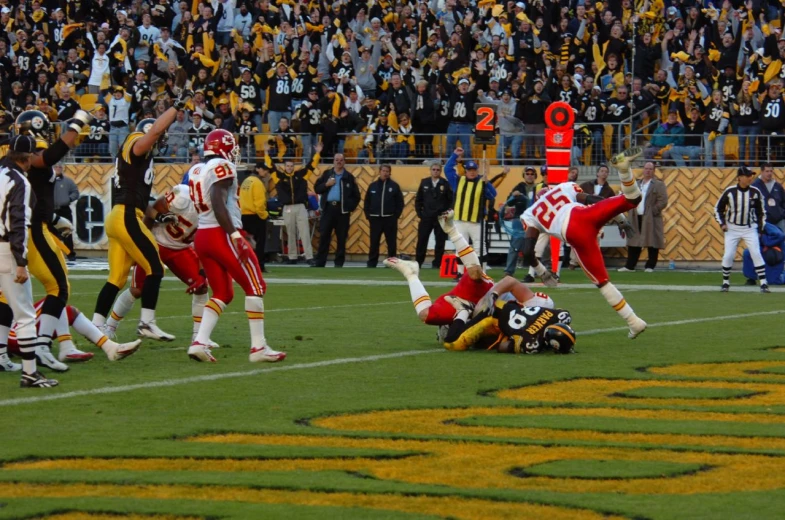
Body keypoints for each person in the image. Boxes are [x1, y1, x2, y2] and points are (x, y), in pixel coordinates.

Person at [92, 91, 192, 341]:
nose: (160, 141)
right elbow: (155, 132)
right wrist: (175, 107)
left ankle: (95, 327)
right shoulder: (136, 142)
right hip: (126, 216)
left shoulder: (140, 160)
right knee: (155, 268)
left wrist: (157, 217)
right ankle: (147, 323)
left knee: (116, 279)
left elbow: (142, 200)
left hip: (120, 216)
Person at [521, 147, 647, 339]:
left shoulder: (531, 213)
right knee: (633, 198)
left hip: (575, 235)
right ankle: (623, 169)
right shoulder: (563, 187)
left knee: (603, 283)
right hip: (586, 215)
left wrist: (542, 272)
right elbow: (591, 199)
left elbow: (528, 251)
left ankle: (634, 321)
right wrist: (619, 217)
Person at [186, 128, 286, 364]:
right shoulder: (223, 166)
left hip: (203, 235)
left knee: (223, 292)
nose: (234, 153)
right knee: (256, 285)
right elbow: (218, 202)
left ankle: (199, 342)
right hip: (221, 234)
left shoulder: (196, 169)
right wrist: (234, 234)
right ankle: (258, 347)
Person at [11, 109, 92, 372]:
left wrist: (55, 218)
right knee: (58, 287)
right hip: (33, 228)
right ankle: (42, 346)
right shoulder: (31, 154)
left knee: (13, 293)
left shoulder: (15, 157)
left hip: (34, 224)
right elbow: (47, 157)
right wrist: (77, 123)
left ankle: (7, 352)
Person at [103, 184, 215, 347]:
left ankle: (199, 337)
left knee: (202, 287)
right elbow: (151, 209)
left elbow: (204, 243)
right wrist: (141, 241)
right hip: (155, 242)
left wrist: (202, 272)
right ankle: (110, 326)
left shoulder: (215, 212)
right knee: (138, 290)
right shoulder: (183, 196)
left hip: (180, 249)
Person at [0, 135, 57, 387]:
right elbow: (18, 223)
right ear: (28, 158)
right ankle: (30, 373)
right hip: (5, 250)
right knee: (24, 315)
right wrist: (21, 261)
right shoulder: (20, 182)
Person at [263, 141, 322, 266]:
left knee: (304, 231)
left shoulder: (301, 175)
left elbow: (311, 166)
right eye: (287, 166)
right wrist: (266, 153)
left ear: (294, 167)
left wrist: (317, 153)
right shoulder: (278, 176)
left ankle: (309, 256)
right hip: (287, 207)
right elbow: (270, 166)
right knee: (290, 232)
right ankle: (292, 256)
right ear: (284, 167)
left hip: (300, 206)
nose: (289, 167)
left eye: (291, 166)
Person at [715, 166, 770, 293]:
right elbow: (718, 208)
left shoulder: (755, 192)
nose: (750, 178)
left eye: (751, 175)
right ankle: (725, 282)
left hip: (749, 227)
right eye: (747, 175)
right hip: (732, 228)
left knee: (756, 253)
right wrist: (722, 223)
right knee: (728, 255)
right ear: (739, 177)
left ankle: (763, 283)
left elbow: (761, 212)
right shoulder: (730, 191)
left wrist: (760, 229)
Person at [444, 148, 497, 274]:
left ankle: (482, 272)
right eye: (469, 170)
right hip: (460, 220)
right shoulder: (458, 180)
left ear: (477, 171)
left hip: (476, 221)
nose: (472, 173)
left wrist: (487, 183)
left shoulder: (481, 182)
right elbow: (447, 169)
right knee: (460, 247)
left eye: (474, 170)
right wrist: (454, 155)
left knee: (480, 247)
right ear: (466, 171)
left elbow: (493, 195)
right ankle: (460, 273)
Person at [312, 154, 361, 268]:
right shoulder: (327, 174)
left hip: (342, 211)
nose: (339, 162)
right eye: (336, 160)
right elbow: (317, 189)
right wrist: (326, 184)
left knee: (341, 237)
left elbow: (356, 196)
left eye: (341, 160)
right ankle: (320, 262)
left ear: (344, 162)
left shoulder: (349, 177)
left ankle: (339, 263)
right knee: (324, 236)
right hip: (328, 209)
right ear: (333, 161)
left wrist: (349, 207)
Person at [619, 161, 668, 272]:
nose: (648, 171)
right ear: (643, 169)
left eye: (650, 169)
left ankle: (650, 265)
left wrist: (653, 211)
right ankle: (630, 265)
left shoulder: (658, 184)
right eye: (646, 168)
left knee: (652, 240)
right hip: (636, 216)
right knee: (634, 240)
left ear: (654, 171)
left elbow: (663, 201)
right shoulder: (637, 183)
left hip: (651, 218)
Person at [414, 162, 453, 268]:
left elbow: (451, 200)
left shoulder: (445, 183)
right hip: (426, 217)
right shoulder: (424, 182)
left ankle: (437, 263)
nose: (435, 171)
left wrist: (446, 214)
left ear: (440, 171)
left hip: (440, 217)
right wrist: (420, 213)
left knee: (440, 241)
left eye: (438, 170)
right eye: (434, 169)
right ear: (430, 170)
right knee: (422, 240)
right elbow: (419, 200)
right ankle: (418, 262)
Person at [364, 164, 404, 268]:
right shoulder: (372, 186)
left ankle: (391, 263)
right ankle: (372, 263)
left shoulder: (394, 186)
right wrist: (369, 216)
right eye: (383, 171)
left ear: (390, 173)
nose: (385, 173)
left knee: (391, 242)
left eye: (387, 171)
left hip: (389, 218)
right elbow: (367, 202)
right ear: (379, 171)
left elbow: (400, 202)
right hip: (375, 219)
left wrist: (395, 216)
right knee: (374, 242)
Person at [240, 160, 271, 273]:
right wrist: (265, 215)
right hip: (256, 216)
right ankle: (259, 266)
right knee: (260, 243)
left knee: (246, 243)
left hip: (244, 215)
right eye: (264, 170)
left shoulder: (246, 181)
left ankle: (245, 265)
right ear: (258, 169)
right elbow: (259, 203)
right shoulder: (258, 183)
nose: (266, 173)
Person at [53, 164, 79, 262]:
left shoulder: (68, 181)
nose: (58, 168)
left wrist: (68, 199)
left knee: (67, 233)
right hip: (52, 210)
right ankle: (54, 254)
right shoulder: (48, 181)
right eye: (56, 167)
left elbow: (75, 192)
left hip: (64, 210)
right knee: (52, 233)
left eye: (60, 167)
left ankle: (70, 254)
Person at [752, 163, 785, 233]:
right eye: (767, 171)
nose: (769, 173)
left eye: (771, 171)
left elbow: (783, 201)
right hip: (763, 222)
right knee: (763, 243)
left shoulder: (777, 186)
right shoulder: (754, 186)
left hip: (779, 220)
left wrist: (783, 214)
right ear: (762, 172)